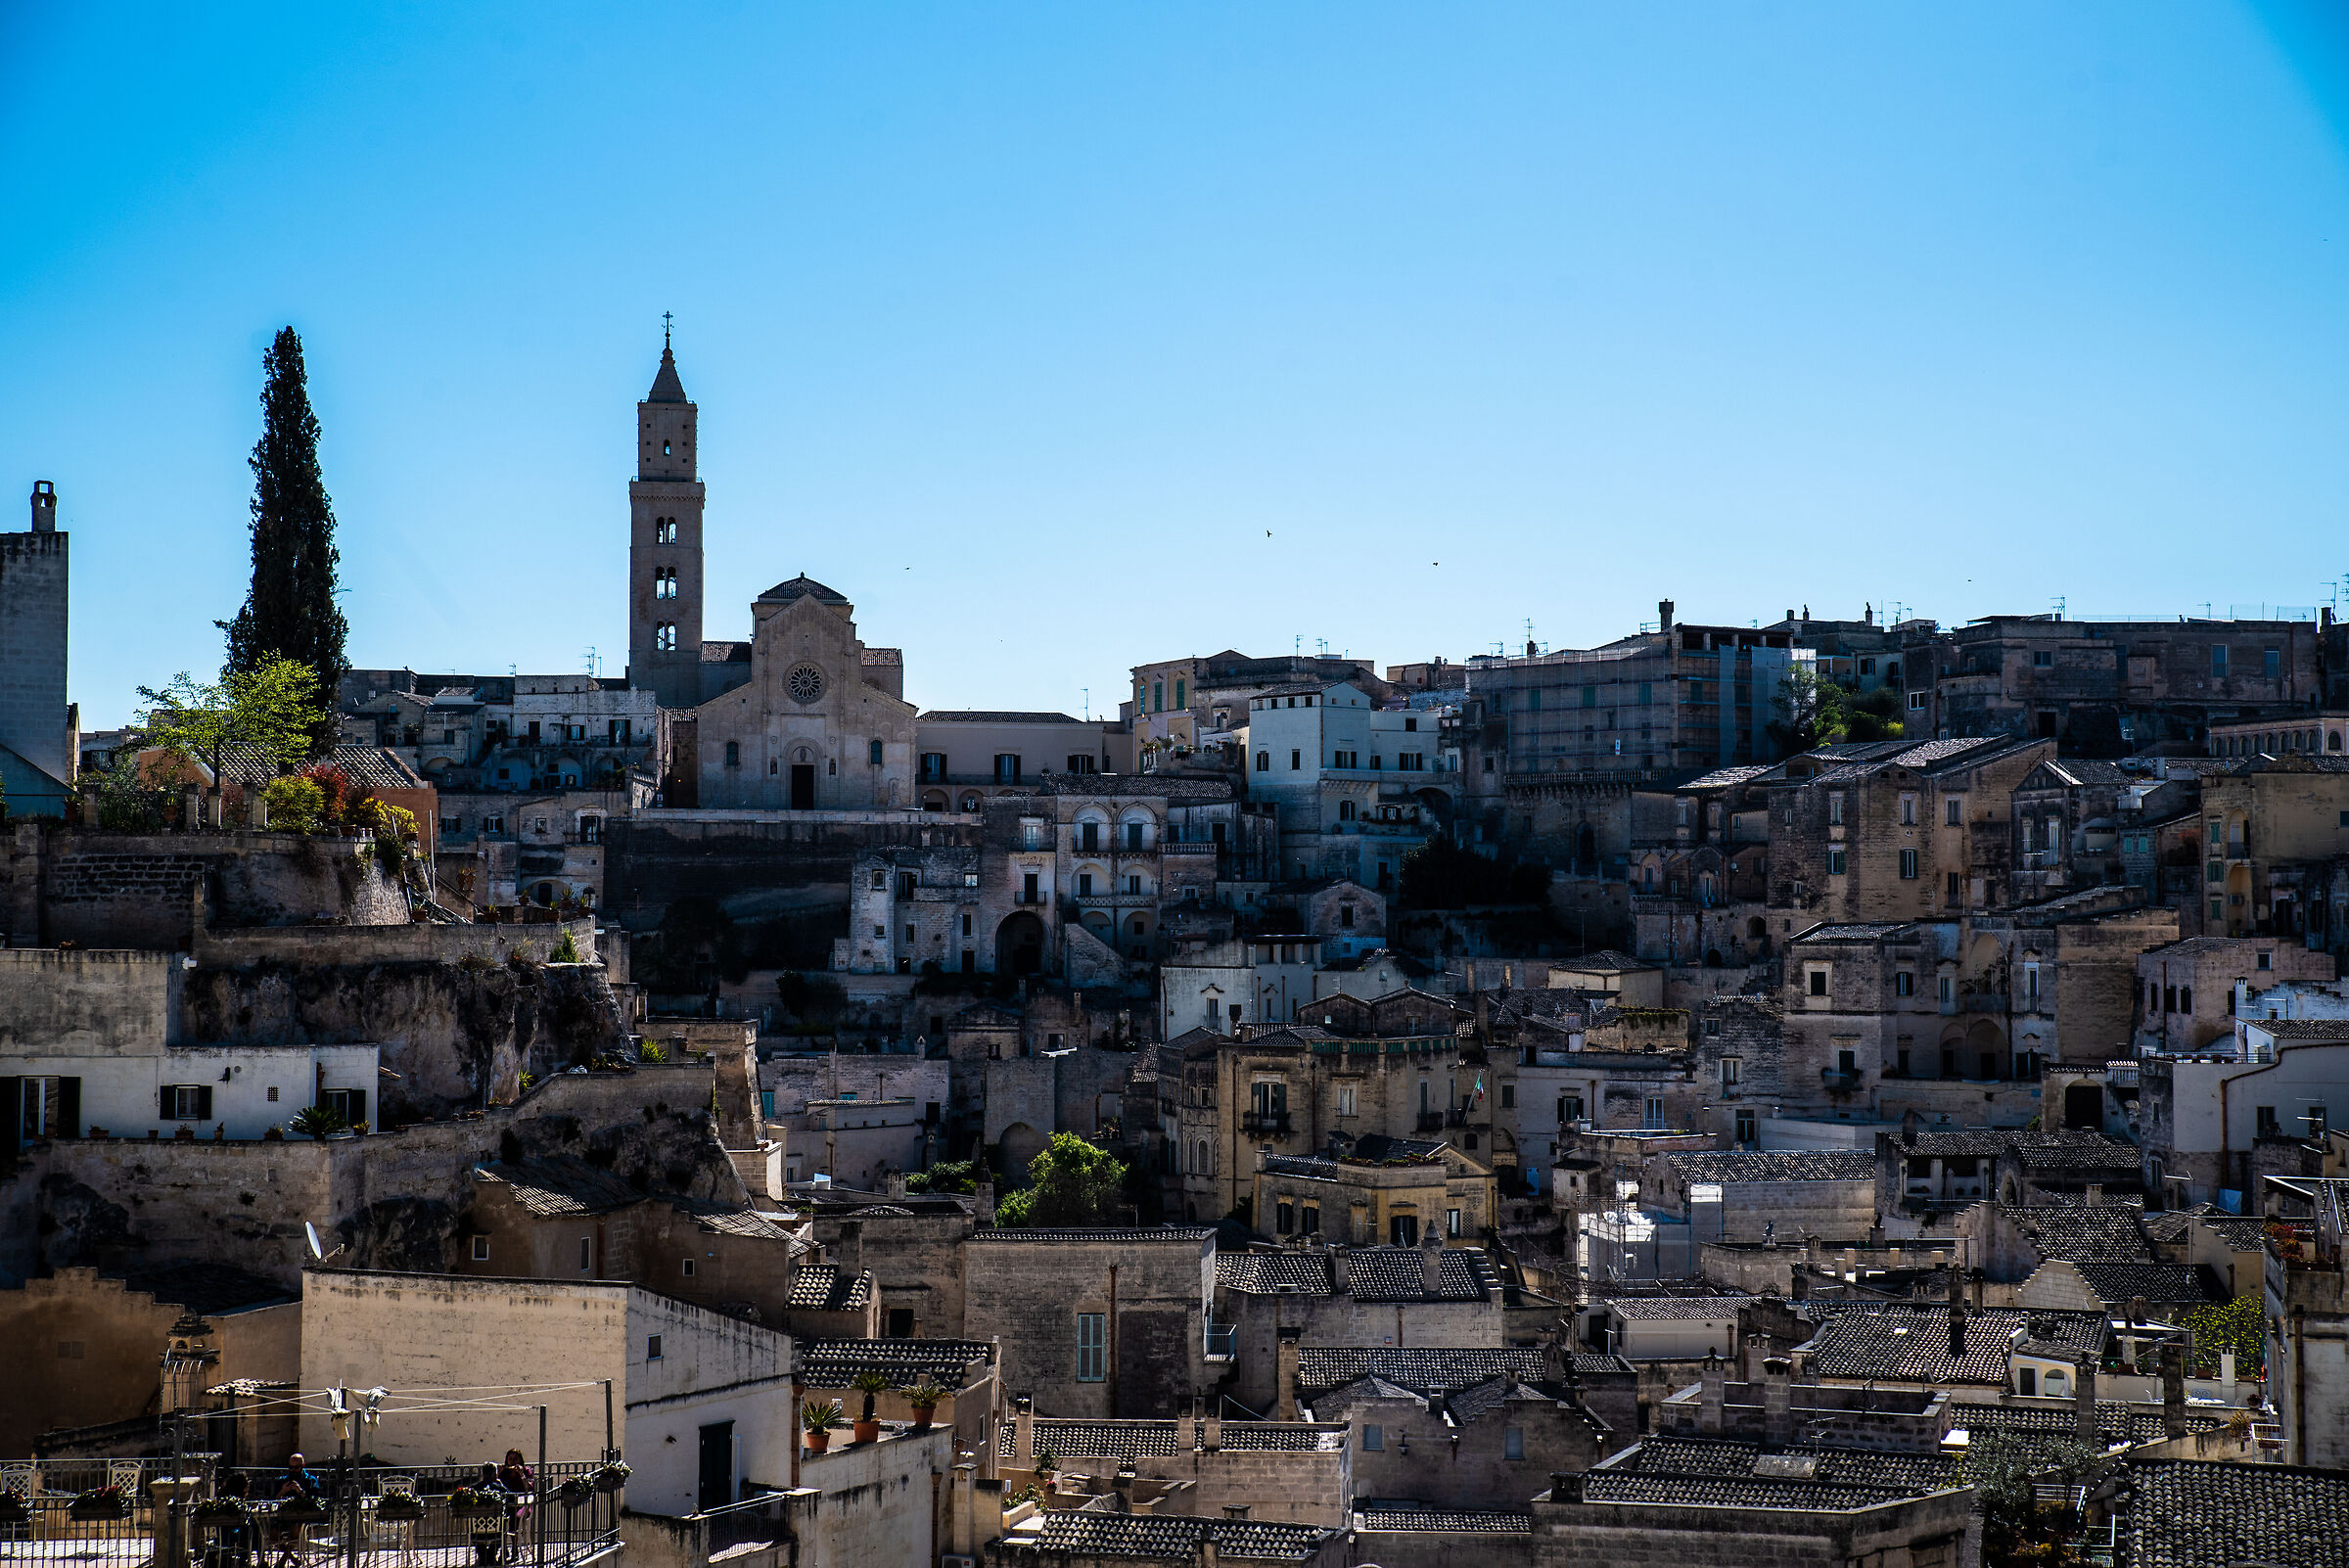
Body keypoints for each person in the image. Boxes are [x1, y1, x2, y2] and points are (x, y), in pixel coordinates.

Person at [268, 1455, 319, 1568]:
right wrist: (283, 1491)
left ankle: (281, 1562)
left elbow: (314, 1499)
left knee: (295, 1530)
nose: (292, 1470)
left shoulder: (310, 1480)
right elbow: (272, 1500)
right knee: (272, 1532)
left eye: (296, 1468)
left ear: (302, 1466)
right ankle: (292, 1558)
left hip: (301, 1515)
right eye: (290, 1467)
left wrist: (300, 1491)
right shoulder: (283, 1480)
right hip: (283, 1515)